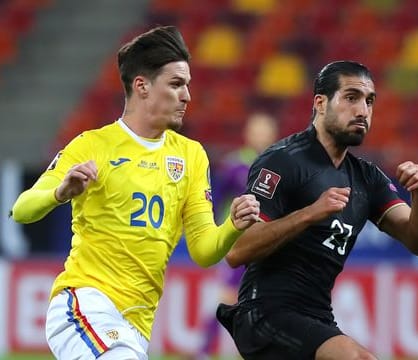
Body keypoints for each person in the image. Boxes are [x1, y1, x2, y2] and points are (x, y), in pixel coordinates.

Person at [10, 25, 260, 360]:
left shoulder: (191, 156)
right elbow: (22, 209)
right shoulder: (92, 145)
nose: (187, 95)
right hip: (84, 305)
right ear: (141, 86)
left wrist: (233, 224)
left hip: (137, 324)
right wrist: (60, 191)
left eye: (187, 85)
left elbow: (203, 251)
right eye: (175, 84)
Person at [216, 60, 418, 360]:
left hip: (317, 317)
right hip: (264, 313)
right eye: (351, 97)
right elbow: (237, 251)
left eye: (369, 101)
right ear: (320, 103)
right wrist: (309, 213)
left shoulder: (367, 178)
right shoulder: (282, 162)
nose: (363, 111)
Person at [197, 112, 278, 359]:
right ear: (247, 133)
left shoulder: (279, 166)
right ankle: (203, 351)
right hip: (239, 245)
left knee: (269, 301)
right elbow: (215, 202)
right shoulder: (234, 165)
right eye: (257, 129)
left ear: (273, 135)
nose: (261, 135)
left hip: (269, 245)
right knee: (228, 298)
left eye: (265, 130)